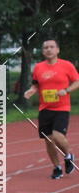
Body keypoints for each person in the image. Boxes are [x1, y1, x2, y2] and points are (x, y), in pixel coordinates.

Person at [24, 38, 79, 179]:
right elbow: (35, 85)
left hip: (62, 107)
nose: (49, 49)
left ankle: (68, 155)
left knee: (58, 135)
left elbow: (77, 81)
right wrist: (31, 91)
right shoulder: (38, 67)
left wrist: (66, 90)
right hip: (45, 108)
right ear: (43, 51)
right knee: (49, 140)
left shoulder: (67, 65)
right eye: (46, 47)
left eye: (52, 47)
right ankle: (57, 168)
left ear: (57, 50)